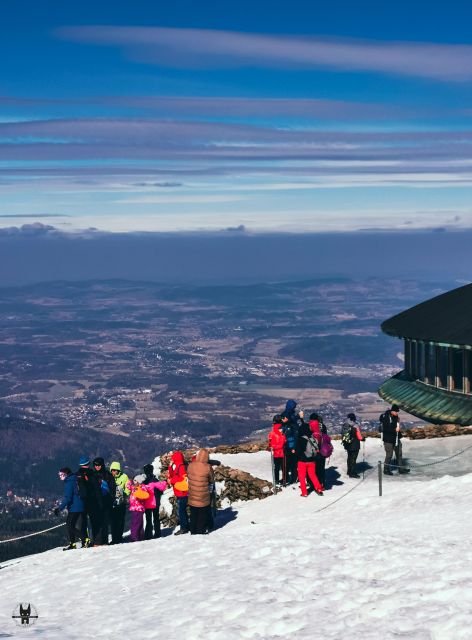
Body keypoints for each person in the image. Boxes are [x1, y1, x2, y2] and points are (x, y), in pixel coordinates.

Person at [54, 467, 86, 550]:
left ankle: (85, 539)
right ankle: (72, 544)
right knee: (69, 524)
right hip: (77, 506)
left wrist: (59, 508)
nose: (59, 477)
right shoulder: (73, 479)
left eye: (61, 475)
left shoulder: (69, 482)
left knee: (70, 525)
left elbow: (68, 498)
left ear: (65, 474)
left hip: (75, 507)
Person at [75, 456, 103, 547]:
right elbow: (97, 489)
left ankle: (84, 542)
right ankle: (96, 542)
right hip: (92, 501)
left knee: (83, 523)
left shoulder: (77, 475)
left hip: (81, 502)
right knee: (95, 522)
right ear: (88, 463)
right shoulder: (92, 474)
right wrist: (100, 502)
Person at [187, 449, 214, 534]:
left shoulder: (190, 465)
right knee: (202, 514)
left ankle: (193, 530)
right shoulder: (207, 467)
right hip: (203, 495)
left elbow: (188, 475)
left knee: (193, 513)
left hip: (192, 494)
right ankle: (200, 531)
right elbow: (211, 479)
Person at [380, 404, 410, 475]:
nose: (397, 413)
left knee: (399, 454)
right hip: (388, 439)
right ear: (392, 411)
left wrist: (399, 435)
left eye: (397, 412)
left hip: (396, 439)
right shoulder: (386, 417)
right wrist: (395, 430)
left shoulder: (396, 417)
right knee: (389, 455)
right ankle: (386, 469)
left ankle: (401, 469)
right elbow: (386, 429)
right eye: (396, 411)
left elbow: (396, 427)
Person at [92, 457, 116, 545]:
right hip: (96, 503)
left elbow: (113, 488)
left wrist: (111, 498)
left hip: (106, 502)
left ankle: (104, 541)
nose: (97, 467)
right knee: (97, 522)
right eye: (95, 465)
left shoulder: (107, 475)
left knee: (104, 522)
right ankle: (97, 541)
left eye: (98, 465)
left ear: (102, 465)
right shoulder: (93, 475)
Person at [296, 422, 323, 496]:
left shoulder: (300, 439)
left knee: (302, 477)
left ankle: (304, 492)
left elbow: (297, 451)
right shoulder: (312, 438)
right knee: (313, 475)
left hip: (302, 461)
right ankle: (319, 488)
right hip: (312, 460)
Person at [143, 463, 167, 539]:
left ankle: (148, 534)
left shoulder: (144, 481)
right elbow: (161, 490)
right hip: (155, 503)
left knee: (148, 519)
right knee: (156, 518)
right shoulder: (155, 480)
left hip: (147, 503)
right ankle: (157, 533)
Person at [168, 451, 189, 535]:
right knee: (182, 510)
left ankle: (184, 528)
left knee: (181, 511)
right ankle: (186, 526)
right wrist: (170, 467)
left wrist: (171, 480)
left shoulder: (181, 467)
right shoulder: (177, 466)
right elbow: (173, 475)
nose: (172, 458)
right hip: (179, 491)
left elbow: (183, 478)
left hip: (182, 492)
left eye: (173, 457)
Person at [109, 461, 130, 544]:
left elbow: (128, 487)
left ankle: (119, 537)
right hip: (112, 503)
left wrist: (124, 494)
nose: (113, 472)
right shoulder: (109, 477)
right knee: (113, 521)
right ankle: (114, 538)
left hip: (122, 503)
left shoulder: (124, 477)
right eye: (112, 470)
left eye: (115, 470)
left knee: (120, 521)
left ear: (118, 470)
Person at [281, 400, 301, 484]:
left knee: (288, 462)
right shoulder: (287, 414)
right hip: (290, 442)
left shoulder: (286, 413)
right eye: (293, 407)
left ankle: (288, 478)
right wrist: (298, 417)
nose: (294, 408)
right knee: (292, 462)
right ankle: (293, 478)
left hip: (288, 442)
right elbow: (290, 421)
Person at [125, 474, 149, 542]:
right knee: (139, 523)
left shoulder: (142, 488)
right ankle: (140, 537)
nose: (134, 482)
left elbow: (144, 496)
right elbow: (128, 486)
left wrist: (139, 489)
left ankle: (134, 537)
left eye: (135, 481)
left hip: (138, 508)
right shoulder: (134, 487)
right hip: (134, 508)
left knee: (135, 523)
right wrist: (130, 481)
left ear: (139, 482)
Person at [342, 413, 364, 478]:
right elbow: (359, 437)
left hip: (348, 444)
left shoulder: (345, 425)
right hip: (355, 445)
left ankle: (349, 471)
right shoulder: (355, 426)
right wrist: (363, 438)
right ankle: (352, 473)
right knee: (353, 459)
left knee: (349, 458)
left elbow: (343, 435)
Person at [268, 415, 286, 486]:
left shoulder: (271, 434)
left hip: (275, 453)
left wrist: (273, 447)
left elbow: (270, 445)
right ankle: (284, 481)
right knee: (284, 468)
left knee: (276, 468)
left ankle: (276, 481)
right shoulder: (283, 431)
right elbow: (285, 441)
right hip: (282, 453)